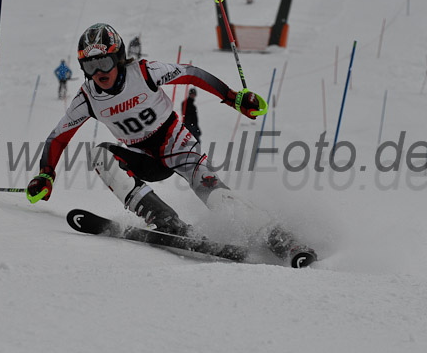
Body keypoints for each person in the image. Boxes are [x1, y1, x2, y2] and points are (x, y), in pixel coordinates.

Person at [26, 23, 263, 237]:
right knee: (99, 156)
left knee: (212, 189)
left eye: (104, 63)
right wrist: (46, 173)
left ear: (118, 58)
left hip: (175, 143)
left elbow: (191, 73)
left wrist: (232, 97)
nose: (99, 73)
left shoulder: (143, 72)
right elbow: (58, 137)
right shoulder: (88, 97)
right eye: (90, 66)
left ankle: (262, 228)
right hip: (143, 157)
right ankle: (163, 218)